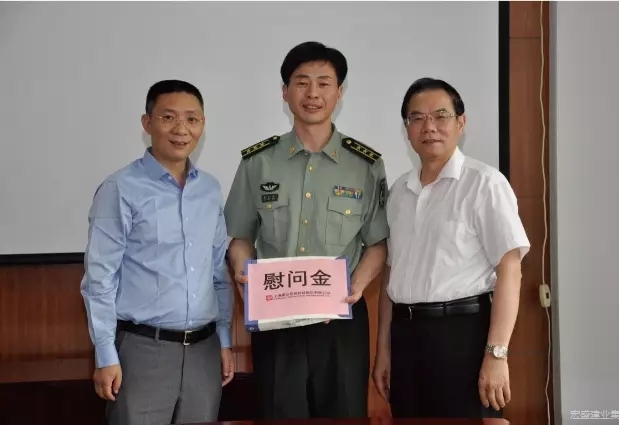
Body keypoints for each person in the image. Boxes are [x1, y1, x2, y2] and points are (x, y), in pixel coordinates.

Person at [224, 41, 389, 419]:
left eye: (324, 83)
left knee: (344, 415)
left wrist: (355, 287)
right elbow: (240, 237)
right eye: (301, 82)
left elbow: (378, 243)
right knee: (279, 414)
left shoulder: (365, 165)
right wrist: (243, 271)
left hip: (341, 321)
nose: (312, 93)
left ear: (339, 92)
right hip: (276, 319)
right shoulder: (258, 162)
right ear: (285, 92)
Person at [372, 77, 530, 419]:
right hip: (406, 337)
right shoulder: (399, 192)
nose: (429, 127)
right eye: (417, 118)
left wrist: (497, 353)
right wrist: (383, 350)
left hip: (463, 336)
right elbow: (390, 275)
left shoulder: (484, 183)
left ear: (461, 122)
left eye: (440, 116)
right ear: (407, 129)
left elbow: (510, 269)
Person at [80, 79, 235, 425]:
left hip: (204, 352)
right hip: (142, 351)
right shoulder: (120, 188)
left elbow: (218, 273)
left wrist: (224, 340)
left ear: (203, 125)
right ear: (147, 123)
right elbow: (99, 279)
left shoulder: (209, 189)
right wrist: (105, 354)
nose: (181, 129)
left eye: (192, 119)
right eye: (168, 118)